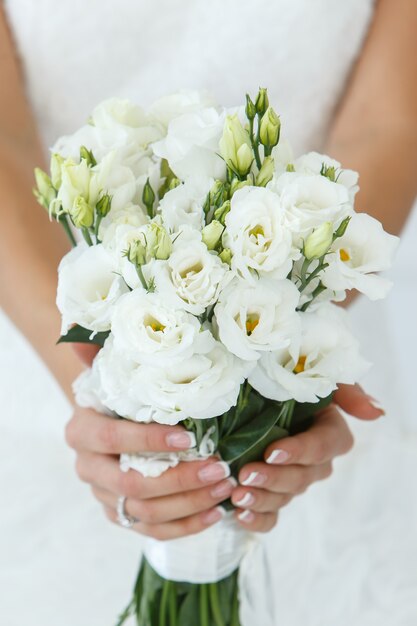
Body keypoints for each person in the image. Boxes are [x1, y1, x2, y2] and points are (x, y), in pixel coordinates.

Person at [0, 1, 416, 624]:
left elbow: (385, 124)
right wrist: (106, 400)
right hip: (51, 332)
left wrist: (283, 371)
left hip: (301, 321)